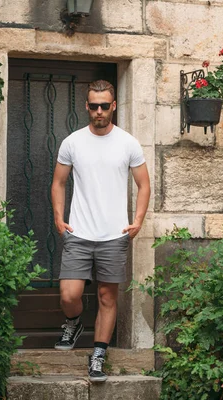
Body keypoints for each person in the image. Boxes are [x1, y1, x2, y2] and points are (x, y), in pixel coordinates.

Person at [50, 80, 151, 383]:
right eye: (93, 106)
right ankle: (73, 321)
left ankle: (98, 356)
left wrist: (138, 220)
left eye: (104, 106)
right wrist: (58, 218)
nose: (98, 111)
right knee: (70, 294)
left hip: (114, 235)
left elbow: (144, 184)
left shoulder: (128, 143)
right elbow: (58, 182)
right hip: (79, 232)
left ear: (113, 106)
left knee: (108, 297)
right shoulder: (72, 142)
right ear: (86, 106)